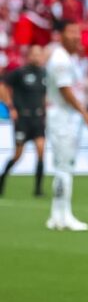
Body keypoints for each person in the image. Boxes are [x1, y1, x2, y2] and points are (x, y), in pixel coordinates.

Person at [46, 22, 88, 231]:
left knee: (62, 167)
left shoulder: (68, 58)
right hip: (62, 117)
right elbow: (65, 91)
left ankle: (56, 215)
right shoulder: (60, 60)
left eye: (78, 32)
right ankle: (64, 215)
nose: (77, 36)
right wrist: (85, 113)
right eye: (72, 32)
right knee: (65, 167)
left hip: (65, 117)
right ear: (61, 35)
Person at [0, 44, 47, 197]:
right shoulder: (20, 73)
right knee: (18, 154)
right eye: (35, 54)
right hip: (23, 119)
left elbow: (44, 95)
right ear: (29, 56)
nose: (37, 57)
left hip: (37, 118)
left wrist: (45, 109)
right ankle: (2, 178)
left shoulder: (44, 74)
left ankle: (38, 190)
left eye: (39, 54)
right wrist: (10, 107)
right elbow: (2, 86)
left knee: (41, 150)